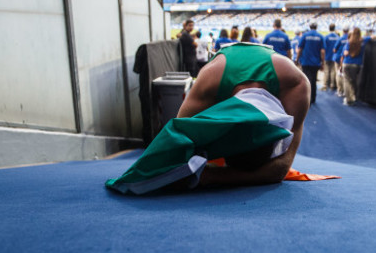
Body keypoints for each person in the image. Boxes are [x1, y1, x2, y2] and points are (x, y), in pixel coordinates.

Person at [105, 42, 311, 193]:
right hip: (225, 66)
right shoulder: (209, 82)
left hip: (236, 69)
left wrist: (210, 176)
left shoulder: (296, 84)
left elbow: (280, 170)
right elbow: (175, 146)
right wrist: (212, 176)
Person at [342, 27, 371, 105]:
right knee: (354, 81)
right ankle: (354, 96)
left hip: (347, 63)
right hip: (357, 65)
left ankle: (349, 99)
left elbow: (345, 53)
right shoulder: (364, 41)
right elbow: (372, 37)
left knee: (347, 81)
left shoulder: (349, 42)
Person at [297, 22, 325, 104]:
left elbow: (300, 48)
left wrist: (297, 59)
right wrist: (323, 62)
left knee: (306, 80)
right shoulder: (320, 36)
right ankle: (313, 98)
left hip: (305, 61)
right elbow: (322, 51)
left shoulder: (305, 36)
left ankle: (307, 97)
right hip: (316, 62)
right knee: (313, 80)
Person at [332, 27, 349, 97]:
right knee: (346, 76)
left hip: (339, 58)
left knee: (338, 74)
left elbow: (334, 49)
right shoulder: (350, 39)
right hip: (347, 59)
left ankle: (340, 90)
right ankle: (345, 91)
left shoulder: (341, 38)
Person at [323, 23, 339, 91]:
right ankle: (332, 84)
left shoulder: (326, 37)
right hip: (334, 56)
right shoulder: (337, 37)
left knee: (326, 70)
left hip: (327, 55)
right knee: (333, 71)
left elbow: (323, 47)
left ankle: (325, 85)